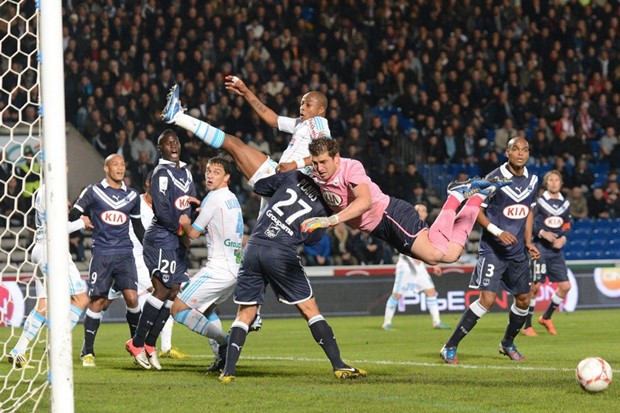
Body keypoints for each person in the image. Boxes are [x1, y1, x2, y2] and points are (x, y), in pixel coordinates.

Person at [218, 170, 367, 383]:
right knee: (310, 309)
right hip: (280, 252)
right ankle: (339, 365)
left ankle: (228, 371)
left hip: (254, 247)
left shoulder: (294, 176)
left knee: (245, 313)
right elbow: (312, 240)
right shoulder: (326, 204)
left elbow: (259, 186)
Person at [301, 138, 511, 266]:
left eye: (324, 162)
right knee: (452, 254)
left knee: (434, 253)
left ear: (336, 158)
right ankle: (477, 198)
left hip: (390, 214)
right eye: (316, 162)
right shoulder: (314, 174)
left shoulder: (350, 167)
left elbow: (364, 202)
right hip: (379, 230)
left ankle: (455, 196)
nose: (319, 167)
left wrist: (331, 220)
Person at [440, 137, 540, 365]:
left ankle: (507, 343)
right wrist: (497, 231)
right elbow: (475, 210)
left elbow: (528, 211)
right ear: (507, 152)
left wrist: (528, 242)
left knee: (524, 300)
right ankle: (450, 346)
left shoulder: (533, 180)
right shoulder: (493, 178)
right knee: (487, 299)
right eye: (516, 149)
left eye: (525, 149)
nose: (521, 153)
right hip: (493, 250)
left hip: (517, 252)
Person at [160, 79, 330, 185]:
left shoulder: (318, 122)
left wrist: (294, 164)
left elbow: (326, 152)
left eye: (308, 105)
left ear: (321, 109)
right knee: (232, 146)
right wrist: (246, 92)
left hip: (289, 179)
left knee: (233, 144)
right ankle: (178, 117)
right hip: (283, 177)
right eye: (301, 103)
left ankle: (178, 117)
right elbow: (273, 119)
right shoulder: (303, 123)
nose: (302, 107)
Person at [125, 129, 199, 370]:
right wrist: (182, 231)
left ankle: (149, 344)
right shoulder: (161, 173)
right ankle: (137, 343)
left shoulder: (187, 173)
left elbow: (189, 204)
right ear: (161, 149)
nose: (174, 145)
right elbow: (163, 209)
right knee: (162, 288)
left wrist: (189, 226)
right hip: (160, 238)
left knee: (174, 290)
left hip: (176, 241)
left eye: (176, 141)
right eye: (168, 143)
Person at [7, 178, 93, 367]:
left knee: (43, 305)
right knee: (81, 299)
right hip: (52, 250)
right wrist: (81, 222)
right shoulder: (52, 190)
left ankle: (18, 350)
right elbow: (57, 228)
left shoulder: (43, 190)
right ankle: (56, 345)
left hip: (39, 249)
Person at [170, 155, 243, 372]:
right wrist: (203, 208)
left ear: (227, 177)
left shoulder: (214, 198)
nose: (210, 175)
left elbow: (191, 233)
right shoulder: (232, 198)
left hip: (218, 269)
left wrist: (184, 220)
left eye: (216, 172)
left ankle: (226, 342)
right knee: (208, 310)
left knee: (178, 309)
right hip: (234, 269)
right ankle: (221, 358)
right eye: (208, 171)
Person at [71, 154, 146, 367]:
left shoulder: (132, 196)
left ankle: (136, 346)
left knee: (133, 299)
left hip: (125, 254)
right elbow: (74, 213)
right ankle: (88, 351)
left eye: (123, 164)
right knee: (97, 301)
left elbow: (138, 227)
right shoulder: (93, 191)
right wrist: (81, 220)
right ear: (106, 168)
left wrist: (150, 248)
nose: (120, 168)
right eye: (115, 164)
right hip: (102, 253)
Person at [382, 203, 451, 331]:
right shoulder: (407, 224)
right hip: (406, 265)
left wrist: (434, 264)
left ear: (426, 214)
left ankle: (437, 322)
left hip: (419, 265)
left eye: (424, 210)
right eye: (418, 210)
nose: (421, 212)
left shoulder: (426, 228)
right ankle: (387, 323)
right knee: (396, 294)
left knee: (431, 292)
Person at [522, 170, 572, 337]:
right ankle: (527, 325)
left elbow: (566, 226)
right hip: (540, 249)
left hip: (556, 251)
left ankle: (546, 317)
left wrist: (563, 239)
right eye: (550, 180)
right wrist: (543, 233)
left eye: (557, 180)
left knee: (565, 286)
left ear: (561, 183)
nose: (553, 182)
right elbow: (530, 223)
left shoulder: (565, 204)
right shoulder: (539, 202)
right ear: (546, 183)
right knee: (535, 287)